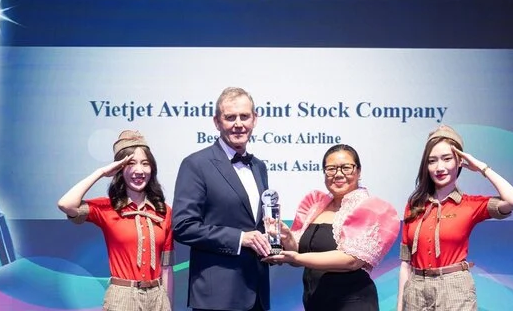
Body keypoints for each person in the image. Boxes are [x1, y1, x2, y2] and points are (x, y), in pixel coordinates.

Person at [397, 125, 513, 311]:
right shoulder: (414, 205)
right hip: (415, 290)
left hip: (454, 289)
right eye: (432, 161)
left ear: (460, 161)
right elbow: (405, 264)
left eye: (447, 159)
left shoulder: (470, 205)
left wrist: (481, 167)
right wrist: (400, 307)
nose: (439, 167)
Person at [264, 144, 399, 311]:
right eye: (331, 169)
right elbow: (299, 252)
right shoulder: (315, 206)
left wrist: (296, 258)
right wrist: (287, 237)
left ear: (358, 171)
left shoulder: (370, 207)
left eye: (346, 168)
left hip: (352, 302)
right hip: (315, 301)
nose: (338, 174)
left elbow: (351, 261)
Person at [173, 87, 271, 311]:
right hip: (217, 297)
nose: (238, 124)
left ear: (255, 119)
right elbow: (183, 227)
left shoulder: (259, 167)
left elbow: (256, 224)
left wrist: (275, 239)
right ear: (217, 122)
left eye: (244, 116)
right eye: (230, 117)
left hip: (257, 295)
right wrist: (240, 238)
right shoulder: (196, 164)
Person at [57, 130, 173, 311]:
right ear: (119, 169)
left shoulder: (163, 211)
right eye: (131, 164)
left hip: (158, 297)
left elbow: (166, 268)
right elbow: (66, 204)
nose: (139, 170)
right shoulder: (108, 207)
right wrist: (102, 172)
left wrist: (168, 305)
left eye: (145, 163)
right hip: (122, 297)